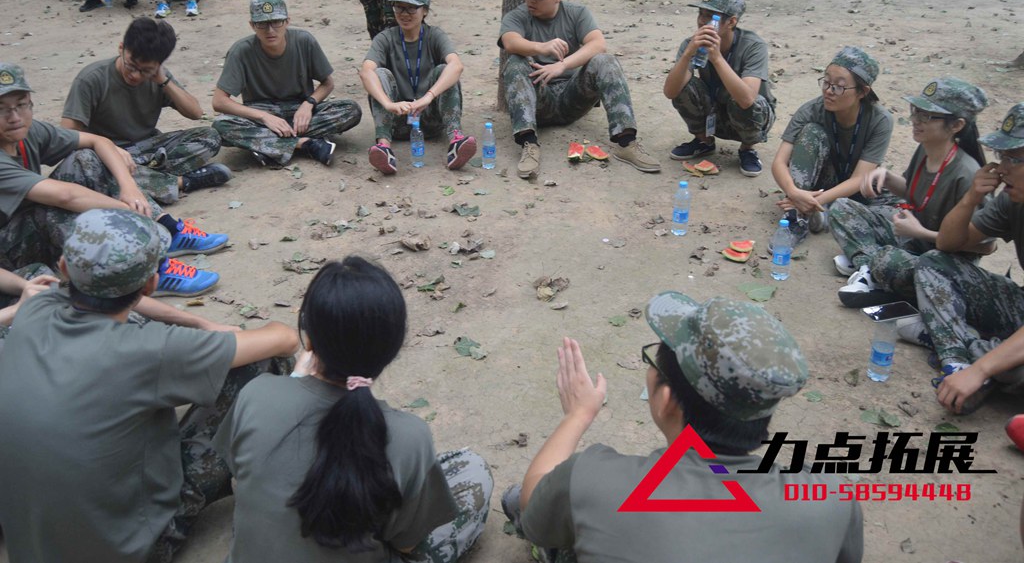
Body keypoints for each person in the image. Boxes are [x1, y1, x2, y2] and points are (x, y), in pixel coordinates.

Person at [0, 209, 299, 563]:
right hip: (133, 550)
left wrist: (197, 323)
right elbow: (284, 339)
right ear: (152, 284)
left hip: (31, 546)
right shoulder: (152, 349)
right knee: (261, 364)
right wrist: (206, 334)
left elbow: (111, 301)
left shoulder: (34, 310)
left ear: (64, 268)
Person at [502, 293, 862, 563]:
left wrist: (577, 415)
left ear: (667, 400)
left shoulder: (593, 479)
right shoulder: (832, 498)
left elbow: (531, 509)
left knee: (539, 505)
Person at [214, 256, 493, 562]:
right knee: (472, 468)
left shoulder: (256, 394)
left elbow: (241, 479)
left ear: (309, 340)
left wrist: (294, 381)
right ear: (393, 349)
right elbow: (406, 545)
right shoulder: (409, 437)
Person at [0, 62, 226, 296]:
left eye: (21, 105)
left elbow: (96, 141)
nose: (14, 117)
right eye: (1, 108)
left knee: (85, 158)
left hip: (27, 228)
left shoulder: (29, 131)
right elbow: (66, 196)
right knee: (55, 212)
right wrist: (129, 213)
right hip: (8, 256)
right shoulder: (94, 78)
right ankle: (148, 273)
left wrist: (130, 189)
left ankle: (167, 229)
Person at [829, 78, 990, 308]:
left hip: (944, 262)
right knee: (841, 208)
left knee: (889, 261)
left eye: (928, 116)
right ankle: (868, 267)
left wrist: (922, 233)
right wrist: (887, 177)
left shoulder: (967, 174)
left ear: (956, 125)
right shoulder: (926, 149)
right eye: (916, 111)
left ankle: (874, 269)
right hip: (913, 241)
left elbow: (985, 245)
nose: (916, 120)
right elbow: (917, 193)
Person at [499, 0, 661, 179]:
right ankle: (529, 143)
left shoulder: (577, 13)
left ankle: (626, 142)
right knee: (515, 63)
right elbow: (510, 42)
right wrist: (541, 47)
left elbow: (598, 44)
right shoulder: (517, 16)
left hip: (572, 97)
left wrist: (562, 65)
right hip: (538, 100)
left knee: (605, 61)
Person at [914, 102, 1024, 414]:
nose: (1002, 168)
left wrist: (982, 370)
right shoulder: (1012, 200)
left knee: (1014, 370)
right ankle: (958, 359)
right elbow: (948, 244)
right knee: (932, 263)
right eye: (1002, 155)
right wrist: (970, 198)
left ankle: (980, 356)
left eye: (1014, 159)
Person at [61, 17, 229, 205]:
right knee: (85, 162)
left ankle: (137, 178)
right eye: (131, 65)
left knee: (210, 137)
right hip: (108, 154)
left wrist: (164, 81)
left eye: (145, 71)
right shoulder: (92, 79)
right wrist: (110, 150)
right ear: (121, 48)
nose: (135, 75)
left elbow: (195, 113)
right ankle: (181, 182)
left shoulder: (158, 77)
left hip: (148, 148)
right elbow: (67, 133)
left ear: (158, 66)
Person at [213, 0, 362, 167]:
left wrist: (309, 104)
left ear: (287, 21)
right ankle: (305, 144)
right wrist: (264, 117)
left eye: (276, 22)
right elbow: (219, 101)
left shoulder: (304, 40)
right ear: (252, 25)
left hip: (299, 108)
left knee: (351, 109)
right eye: (262, 24)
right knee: (220, 125)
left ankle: (268, 145)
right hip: (260, 112)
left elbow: (327, 83)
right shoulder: (241, 51)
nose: (270, 30)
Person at [771, 46, 892, 243]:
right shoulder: (811, 110)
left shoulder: (880, 120)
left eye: (839, 86)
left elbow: (859, 178)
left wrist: (812, 202)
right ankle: (797, 219)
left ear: (862, 91)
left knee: (900, 208)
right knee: (811, 132)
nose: (828, 91)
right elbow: (779, 162)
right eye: (826, 82)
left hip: (855, 188)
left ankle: (821, 210)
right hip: (819, 181)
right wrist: (794, 193)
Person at [360, 0, 476, 174]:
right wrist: (388, 104)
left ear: (425, 11)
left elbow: (457, 66)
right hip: (397, 119)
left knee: (445, 70)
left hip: (431, 118)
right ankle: (384, 146)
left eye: (412, 8)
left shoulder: (434, 35)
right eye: (399, 7)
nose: (404, 14)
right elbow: (366, 71)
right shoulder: (385, 38)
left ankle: (456, 140)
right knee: (379, 74)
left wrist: (428, 97)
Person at [662, 0, 776, 176]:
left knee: (745, 99)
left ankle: (747, 149)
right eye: (700, 14)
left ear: (731, 22)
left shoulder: (754, 46)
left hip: (749, 116)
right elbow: (670, 92)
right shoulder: (692, 43)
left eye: (710, 16)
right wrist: (688, 54)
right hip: (715, 110)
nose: (701, 21)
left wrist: (716, 58)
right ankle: (703, 141)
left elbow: (747, 99)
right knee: (684, 84)